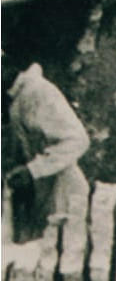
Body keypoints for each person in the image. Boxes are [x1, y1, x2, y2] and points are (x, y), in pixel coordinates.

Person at [3, 51, 90, 245]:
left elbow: (77, 139)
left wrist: (33, 171)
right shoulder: (13, 100)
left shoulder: (39, 92)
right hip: (39, 198)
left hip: (63, 194)